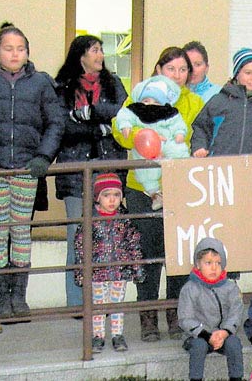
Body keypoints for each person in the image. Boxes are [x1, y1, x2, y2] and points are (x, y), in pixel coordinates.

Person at [0, 22, 64, 322]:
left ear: (28, 52)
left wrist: (44, 157)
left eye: (20, 48)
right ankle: (1, 298)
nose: (14, 53)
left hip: (26, 170)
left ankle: (19, 297)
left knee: (21, 232)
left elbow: (55, 123)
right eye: (8, 48)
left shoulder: (42, 83)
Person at [114, 46, 203, 341]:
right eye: (171, 69)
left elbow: (198, 134)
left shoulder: (194, 101)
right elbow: (119, 127)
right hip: (142, 186)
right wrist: (139, 135)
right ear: (158, 69)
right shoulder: (142, 94)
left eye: (182, 70)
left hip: (180, 185)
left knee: (177, 254)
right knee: (149, 253)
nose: (177, 75)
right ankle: (148, 317)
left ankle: (176, 315)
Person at [54, 35, 127, 309]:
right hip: (75, 174)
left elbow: (122, 114)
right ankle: (77, 303)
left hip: (108, 170)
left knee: (110, 238)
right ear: (80, 55)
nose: (100, 54)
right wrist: (99, 127)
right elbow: (62, 127)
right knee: (78, 236)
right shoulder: (62, 87)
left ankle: (105, 300)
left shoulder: (113, 83)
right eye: (94, 49)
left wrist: (89, 111)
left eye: (101, 49)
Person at [73, 173, 142, 354]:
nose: (112, 200)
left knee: (117, 303)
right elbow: (81, 245)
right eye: (106, 195)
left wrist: (136, 267)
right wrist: (82, 272)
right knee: (98, 304)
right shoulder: (90, 218)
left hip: (120, 270)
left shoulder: (125, 218)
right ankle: (98, 336)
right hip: (97, 271)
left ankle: (117, 334)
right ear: (97, 197)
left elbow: (133, 242)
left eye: (116, 195)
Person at [115, 75, 190, 210]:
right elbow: (124, 115)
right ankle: (154, 193)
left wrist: (180, 133)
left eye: (155, 101)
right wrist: (125, 126)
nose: (149, 104)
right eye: (146, 100)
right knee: (146, 169)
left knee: (180, 149)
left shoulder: (168, 112)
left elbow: (177, 123)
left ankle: (179, 169)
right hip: (146, 146)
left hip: (167, 141)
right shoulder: (135, 109)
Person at [177, 237, 244, 381]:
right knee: (199, 347)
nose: (214, 268)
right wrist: (207, 335)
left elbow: (236, 312)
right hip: (198, 335)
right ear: (198, 265)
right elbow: (185, 318)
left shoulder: (230, 287)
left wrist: (225, 331)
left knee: (234, 344)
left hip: (222, 334)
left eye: (218, 263)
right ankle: (196, 378)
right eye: (208, 263)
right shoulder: (190, 288)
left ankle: (236, 377)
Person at [191, 48, 252, 158]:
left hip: (249, 167)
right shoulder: (219, 100)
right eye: (248, 73)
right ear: (237, 74)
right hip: (220, 166)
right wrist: (199, 147)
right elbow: (201, 127)